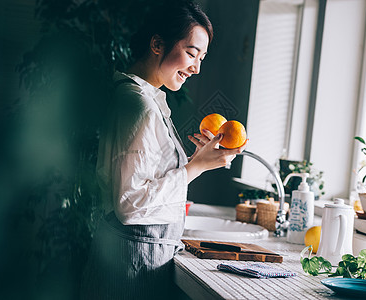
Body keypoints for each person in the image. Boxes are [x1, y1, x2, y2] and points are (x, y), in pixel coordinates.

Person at [81, 1, 246, 299]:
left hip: (134, 261)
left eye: (202, 58)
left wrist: (198, 160)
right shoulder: (137, 105)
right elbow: (130, 204)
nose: (196, 68)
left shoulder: (144, 98)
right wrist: (196, 168)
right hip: (130, 267)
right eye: (191, 53)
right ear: (157, 43)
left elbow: (142, 180)